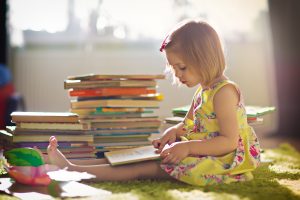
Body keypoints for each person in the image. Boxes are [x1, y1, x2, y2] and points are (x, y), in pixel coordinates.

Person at [45, 19, 260, 186]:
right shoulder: (203, 91)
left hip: (222, 160)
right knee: (134, 157)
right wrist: (174, 133)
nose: (178, 75)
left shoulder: (224, 93)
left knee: (146, 166)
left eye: (182, 68)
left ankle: (76, 170)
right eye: (174, 69)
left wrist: (187, 147)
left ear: (204, 58)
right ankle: (76, 165)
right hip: (200, 149)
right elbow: (188, 123)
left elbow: (229, 142)